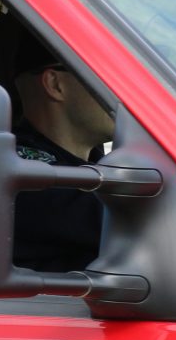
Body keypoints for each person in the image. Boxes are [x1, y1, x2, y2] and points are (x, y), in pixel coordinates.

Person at [9, 33, 112, 272]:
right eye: (108, 76)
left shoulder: (97, 165)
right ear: (55, 84)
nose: (123, 93)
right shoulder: (20, 175)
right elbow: (140, 223)